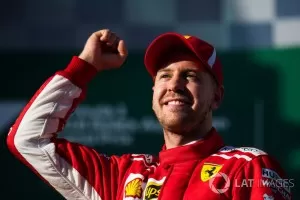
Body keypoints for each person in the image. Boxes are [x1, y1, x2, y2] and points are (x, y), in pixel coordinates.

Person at [7, 29, 292, 200]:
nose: (174, 85)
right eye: (165, 75)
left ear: (216, 97)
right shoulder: (121, 178)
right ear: (154, 93)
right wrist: (84, 66)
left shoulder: (248, 168)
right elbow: (29, 140)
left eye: (190, 75)